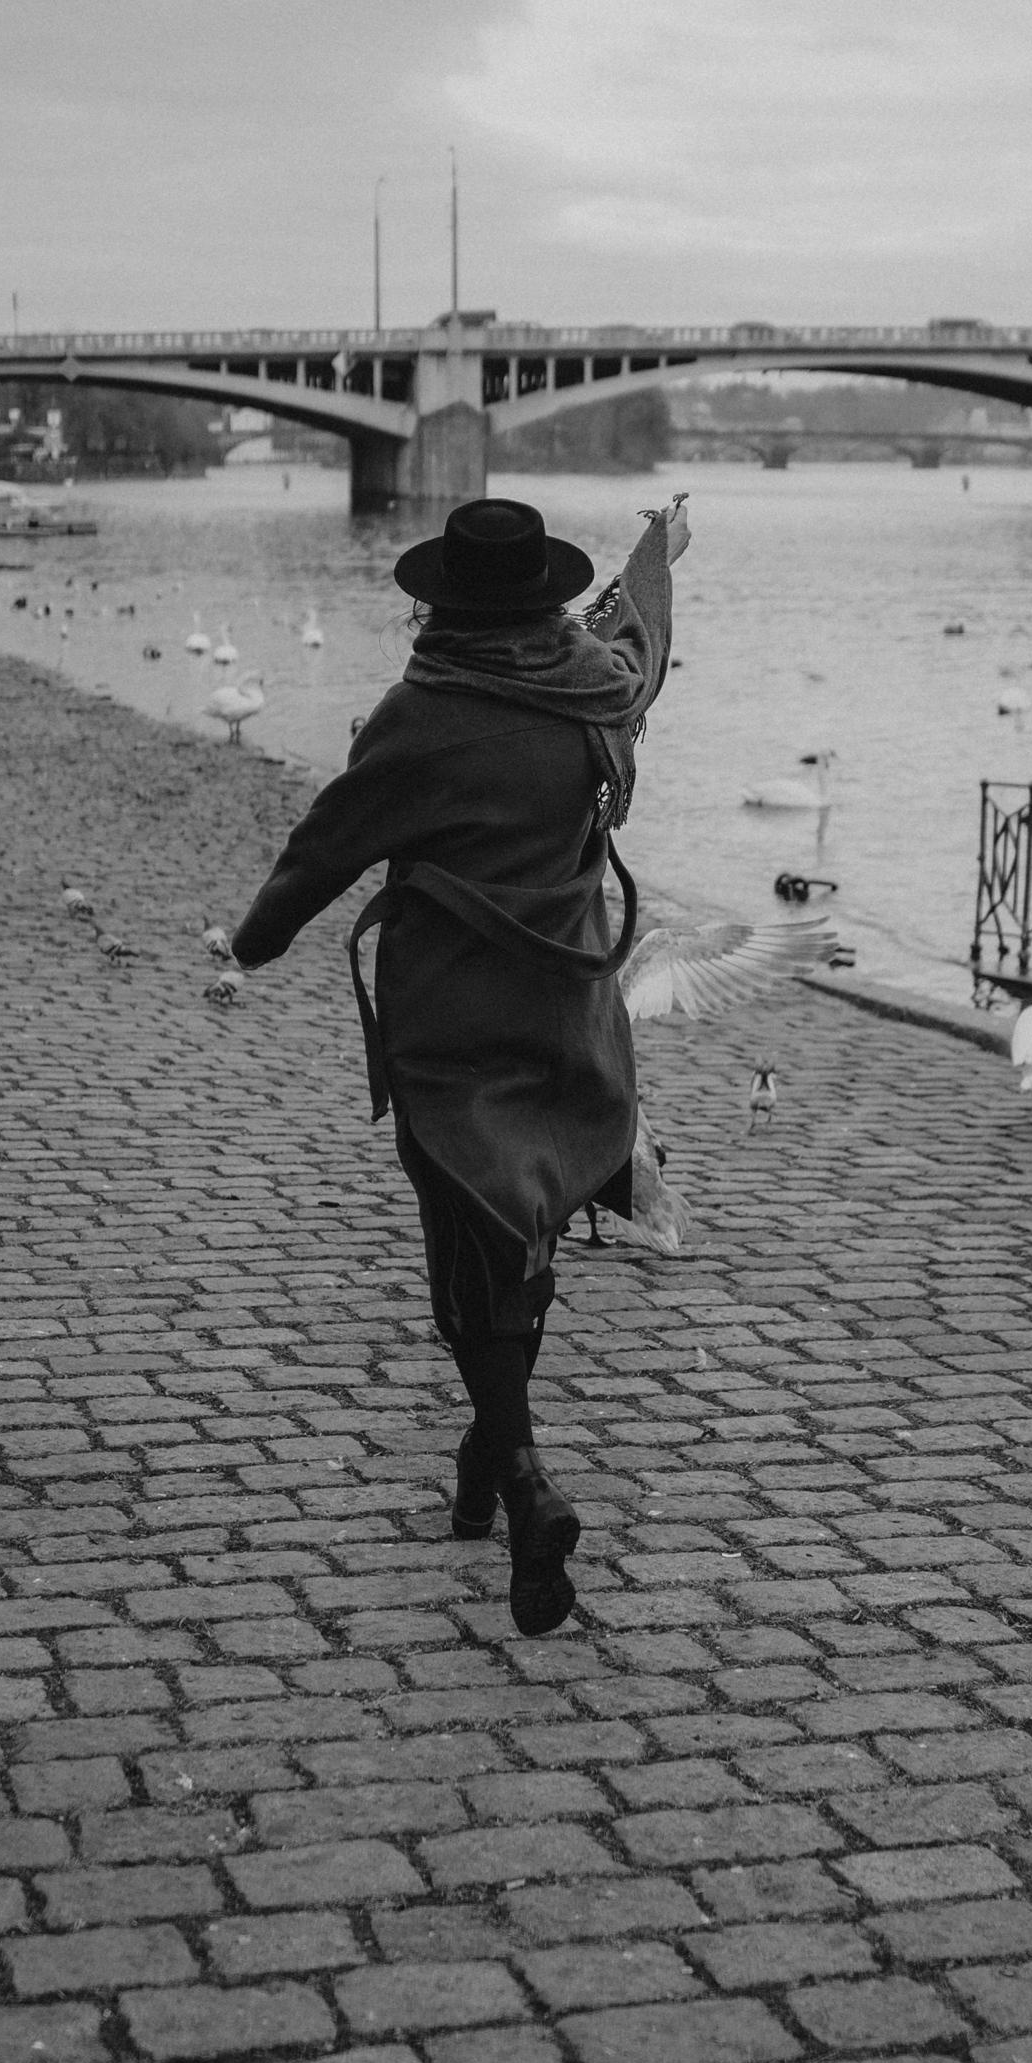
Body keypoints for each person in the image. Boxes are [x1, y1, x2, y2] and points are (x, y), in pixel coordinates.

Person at [231, 491, 688, 1635]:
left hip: (452, 1022)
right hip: (570, 1015)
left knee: (463, 1244)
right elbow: (639, 645)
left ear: (443, 601)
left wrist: (254, 938)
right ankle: (483, 1462)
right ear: (543, 599)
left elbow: (328, 842)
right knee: (524, 1229)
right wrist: (656, 552)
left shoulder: (422, 713)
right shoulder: (597, 696)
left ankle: (523, 1480)